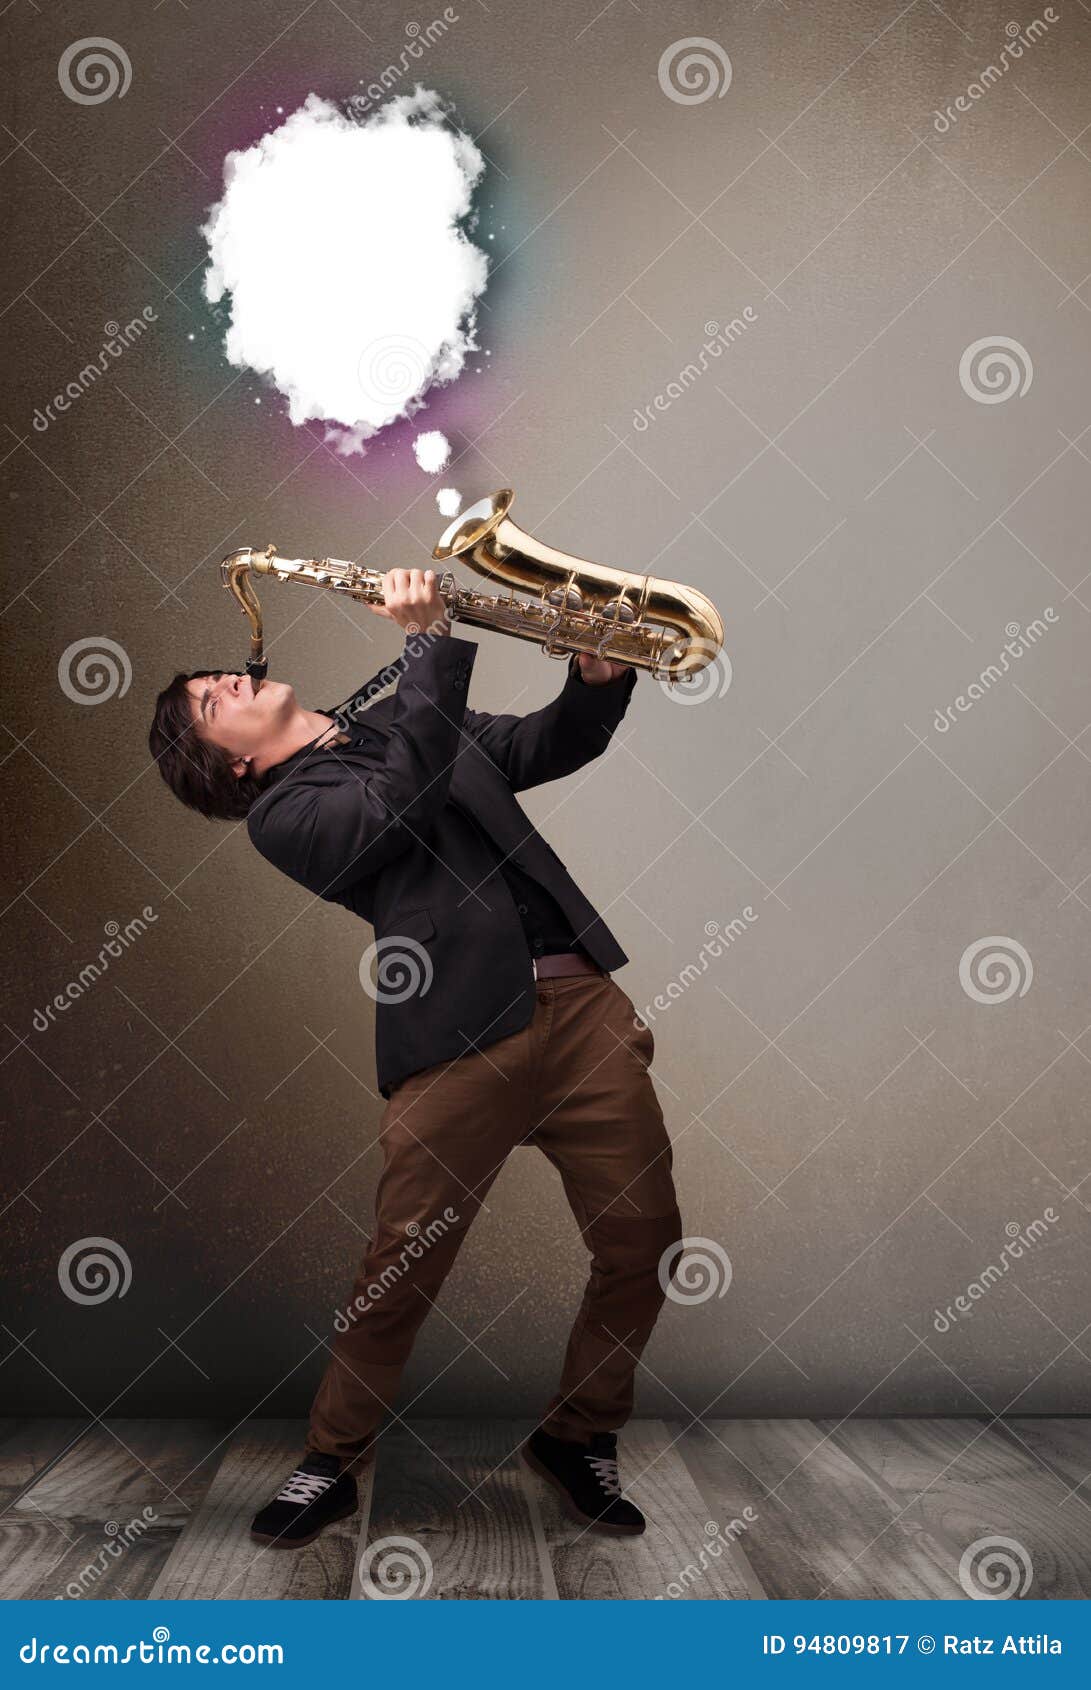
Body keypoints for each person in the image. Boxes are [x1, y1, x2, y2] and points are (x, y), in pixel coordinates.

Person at [149, 567, 684, 1549]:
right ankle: (328, 1462)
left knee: (645, 1240)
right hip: (455, 1037)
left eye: (219, 674)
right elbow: (399, 805)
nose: (225, 680)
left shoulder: (406, 716)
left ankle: (579, 1434)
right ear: (226, 767)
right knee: (398, 1270)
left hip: (578, 1006)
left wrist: (598, 677)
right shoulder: (284, 817)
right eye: (207, 702)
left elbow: (539, 745)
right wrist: (427, 643)